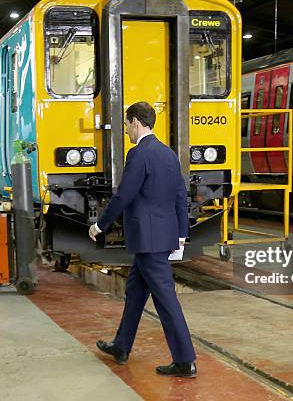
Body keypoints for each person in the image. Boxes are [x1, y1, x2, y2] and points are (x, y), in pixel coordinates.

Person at [89, 101, 197, 378]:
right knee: (135, 292)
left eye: (126, 125)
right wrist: (182, 234)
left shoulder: (138, 154)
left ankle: (185, 361)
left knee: (166, 299)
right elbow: (179, 196)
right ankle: (121, 346)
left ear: (136, 122)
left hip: (148, 241)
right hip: (163, 236)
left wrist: (100, 225)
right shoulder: (168, 153)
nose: (126, 131)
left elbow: (124, 194)